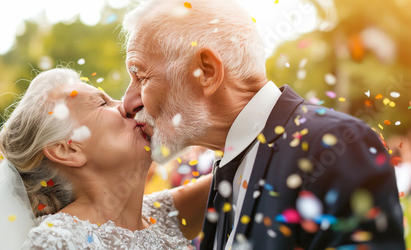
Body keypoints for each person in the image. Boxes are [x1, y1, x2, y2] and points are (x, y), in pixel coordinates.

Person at [121, 0, 405, 249]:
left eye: (141, 76)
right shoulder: (229, 166)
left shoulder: (336, 144)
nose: (128, 102)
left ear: (205, 71)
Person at [0, 68, 212, 249]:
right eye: (102, 103)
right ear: (68, 150)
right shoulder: (56, 242)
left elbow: (239, 166)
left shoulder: (160, 214)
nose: (129, 106)